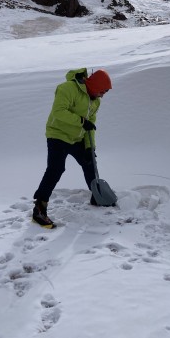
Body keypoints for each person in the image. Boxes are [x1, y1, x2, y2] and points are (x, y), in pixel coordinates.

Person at [32, 68, 112, 228]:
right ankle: (39, 209)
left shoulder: (95, 101)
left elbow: (91, 127)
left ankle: (97, 195)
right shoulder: (67, 88)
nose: (103, 95)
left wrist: (90, 148)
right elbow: (58, 112)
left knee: (90, 162)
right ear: (95, 86)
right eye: (102, 91)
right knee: (56, 169)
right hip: (58, 135)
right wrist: (82, 121)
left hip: (77, 138)